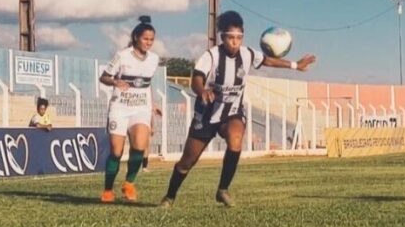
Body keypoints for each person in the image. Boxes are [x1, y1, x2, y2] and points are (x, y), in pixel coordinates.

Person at [160, 11, 316, 208]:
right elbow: (196, 79)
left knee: (235, 140)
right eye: (230, 38)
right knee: (187, 162)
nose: (235, 42)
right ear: (222, 37)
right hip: (207, 114)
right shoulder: (211, 56)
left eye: (239, 38)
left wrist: (296, 65)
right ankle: (169, 196)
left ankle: (222, 190)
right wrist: (202, 91)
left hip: (232, 112)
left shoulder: (248, 54)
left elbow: (268, 60)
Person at [99, 16, 162, 203]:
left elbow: (147, 84)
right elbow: (104, 77)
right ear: (136, 37)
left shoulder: (154, 59)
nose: (149, 43)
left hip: (141, 108)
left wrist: (153, 105)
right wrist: (115, 81)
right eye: (145, 39)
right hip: (120, 107)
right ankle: (108, 190)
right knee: (116, 152)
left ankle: (129, 183)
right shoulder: (123, 55)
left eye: (151, 40)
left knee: (140, 146)